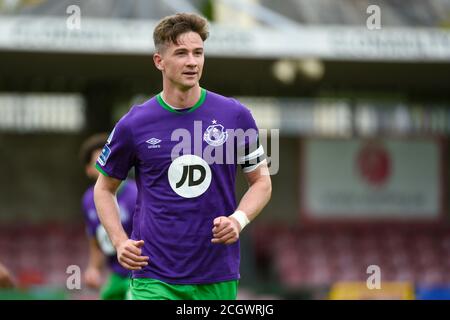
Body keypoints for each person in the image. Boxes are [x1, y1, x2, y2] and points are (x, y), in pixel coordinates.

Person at [94, 13, 272, 300]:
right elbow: (104, 188)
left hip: (216, 273)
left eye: (198, 53)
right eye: (181, 53)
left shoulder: (236, 116)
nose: (192, 62)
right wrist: (119, 241)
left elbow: (262, 181)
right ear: (159, 61)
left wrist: (238, 220)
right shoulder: (134, 123)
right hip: (153, 273)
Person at [79, 133, 137, 300]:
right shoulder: (88, 201)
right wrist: (94, 268)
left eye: (109, 160)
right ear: (89, 170)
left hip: (145, 273)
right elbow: (95, 239)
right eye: (98, 163)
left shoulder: (137, 194)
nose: (106, 166)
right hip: (118, 274)